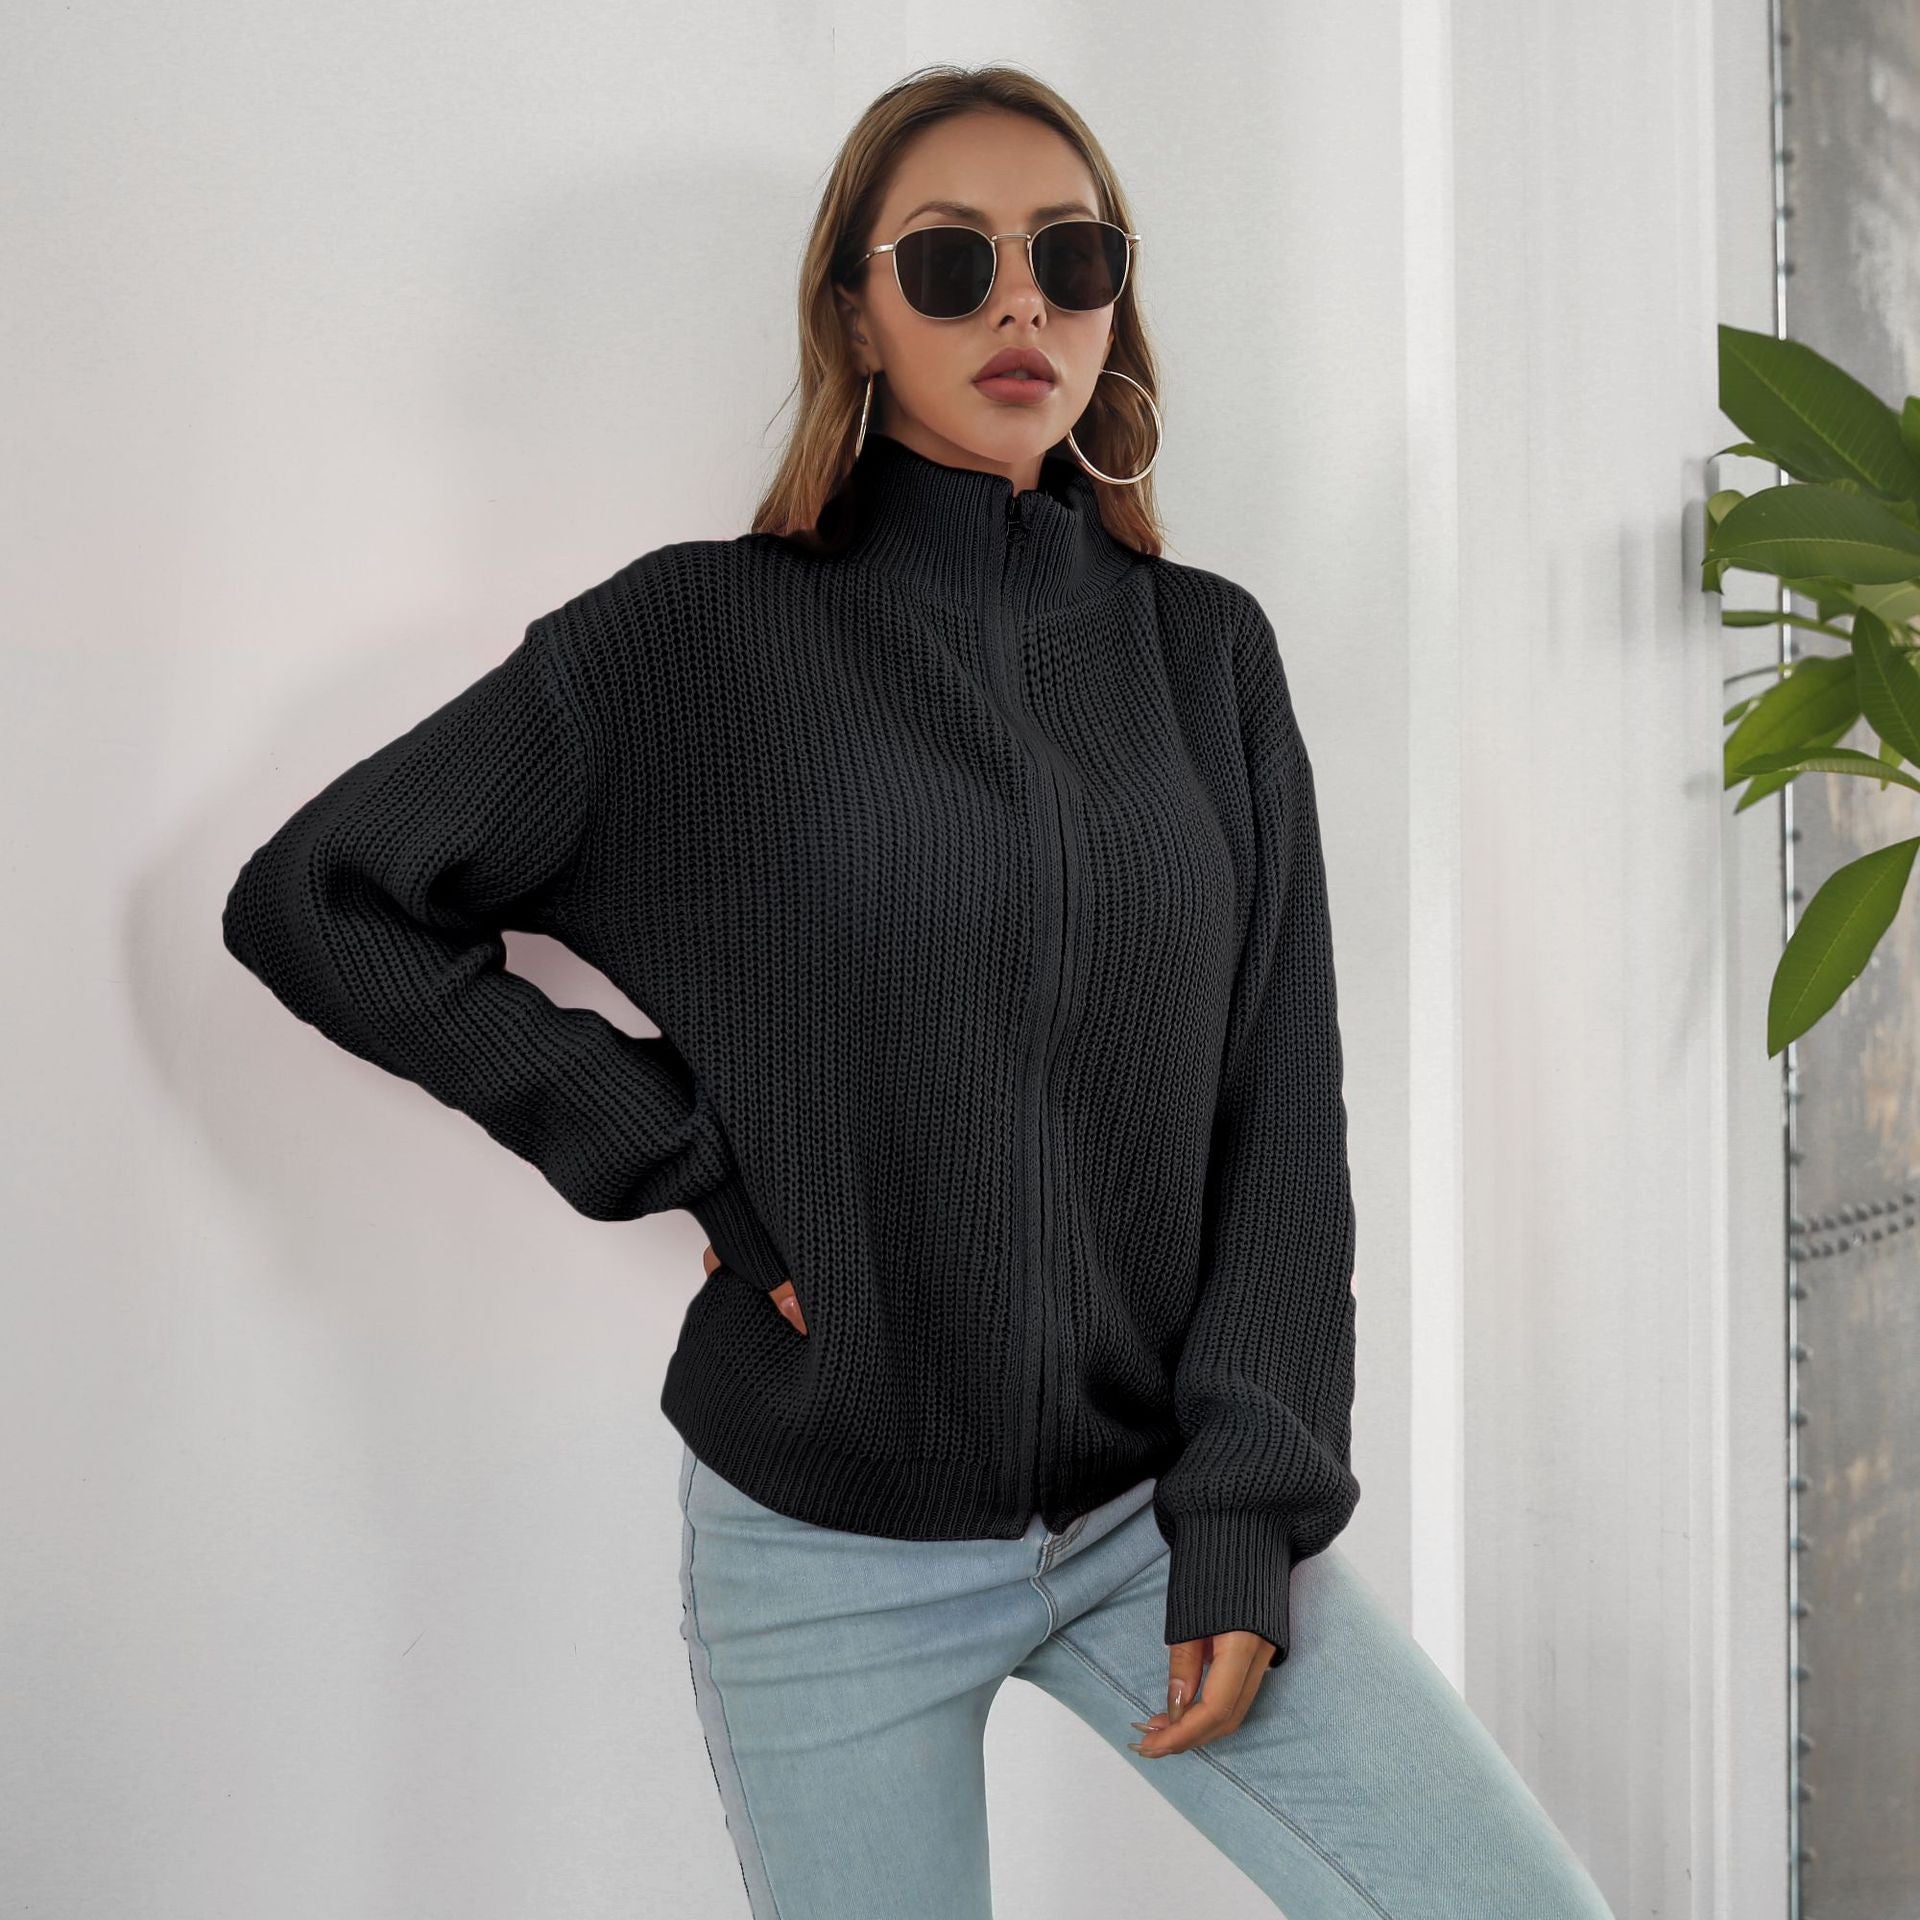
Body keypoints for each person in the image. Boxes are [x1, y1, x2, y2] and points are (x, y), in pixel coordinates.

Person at [221, 59, 1616, 1920]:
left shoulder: (1205, 657)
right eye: (953, 262)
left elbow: (1279, 1118)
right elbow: (320, 898)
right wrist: (682, 1158)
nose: (1022, 302)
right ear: (856, 313)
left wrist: (1243, 1515)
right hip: (829, 1550)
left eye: (1072, 256)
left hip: (1151, 1515)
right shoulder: (698, 637)